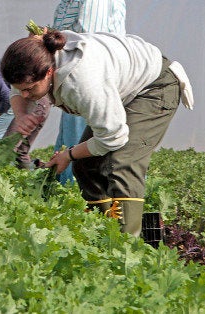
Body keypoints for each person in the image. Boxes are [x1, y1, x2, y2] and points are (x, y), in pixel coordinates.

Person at [0, 29, 193, 237]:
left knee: (121, 163)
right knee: (86, 165)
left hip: (154, 86)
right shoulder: (34, 58)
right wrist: (20, 115)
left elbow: (113, 137)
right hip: (123, 88)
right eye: (20, 89)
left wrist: (69, 154)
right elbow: (19, 86)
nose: (25, 95)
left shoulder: (81, 83)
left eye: (29, 89)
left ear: (48, 73)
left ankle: (125, 250)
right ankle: (100, 233)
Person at [52, 0, 126, 185]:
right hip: (75, 77)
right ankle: (67, 188)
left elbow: (88, 43)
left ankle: (77, 193)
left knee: (81, 142)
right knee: (71, 139)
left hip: (86, 79)